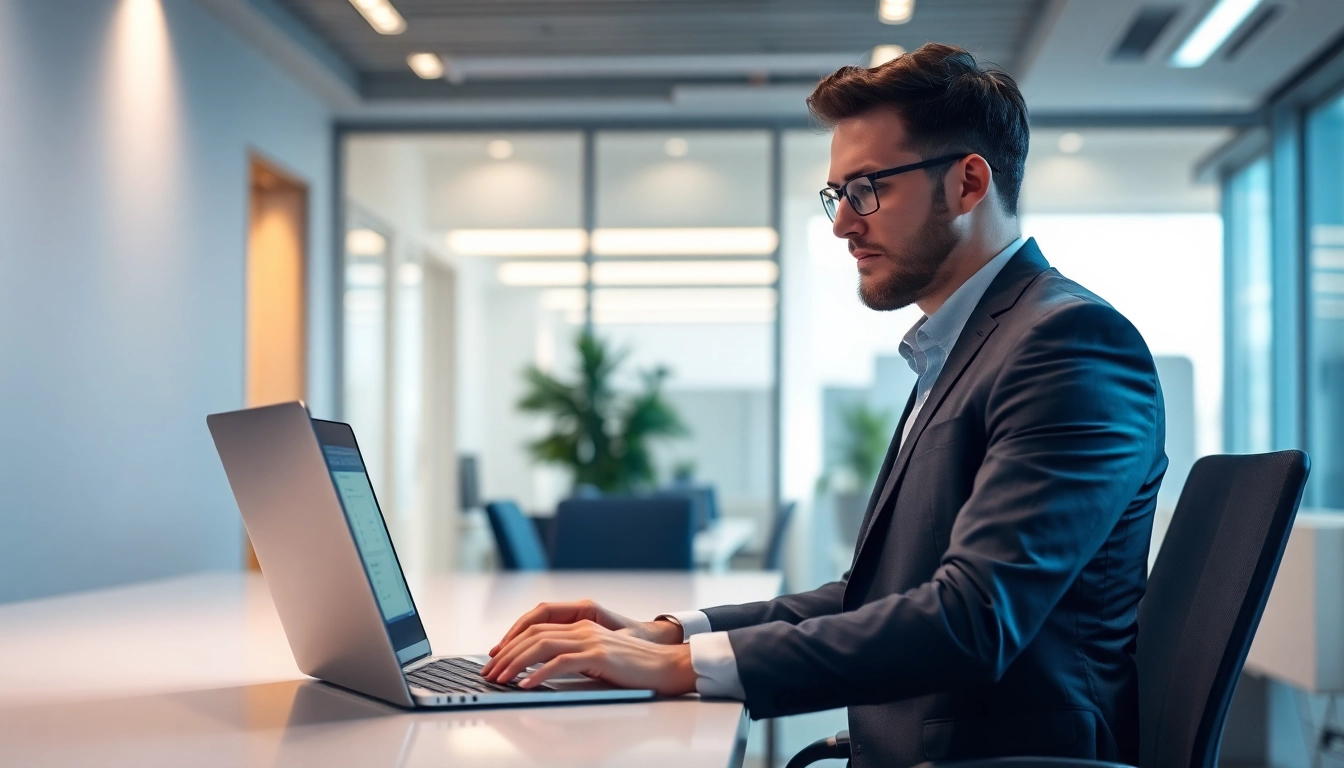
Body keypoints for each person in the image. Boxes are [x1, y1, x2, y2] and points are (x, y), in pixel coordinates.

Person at [480, 42, 1167, 767]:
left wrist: (685, 670)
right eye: (837, 194)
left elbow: (973, 619)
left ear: (968, 184)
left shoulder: (1068, 342)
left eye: (868, 189)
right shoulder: (967, 346)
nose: (842, 223)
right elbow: (877, 593)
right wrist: (672, 634)